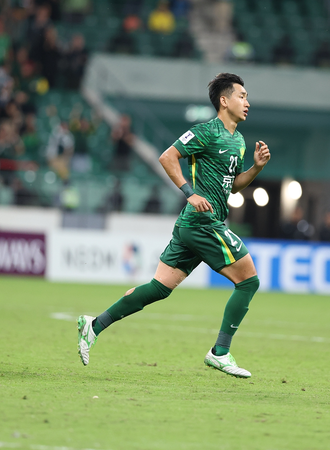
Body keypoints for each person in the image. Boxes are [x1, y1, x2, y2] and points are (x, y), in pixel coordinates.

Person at [77, 73, 271, 378]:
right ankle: (219, 352)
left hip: (194, 225)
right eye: (242, 96)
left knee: (159, 288)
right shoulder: (207, 132)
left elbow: (233, 187)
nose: (247, 102)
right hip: (202, 222)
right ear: (224, 100)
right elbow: (168, 157)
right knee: (249, 281)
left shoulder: (238, 141)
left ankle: (95, 324)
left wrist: (256, 168)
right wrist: (189, 193)